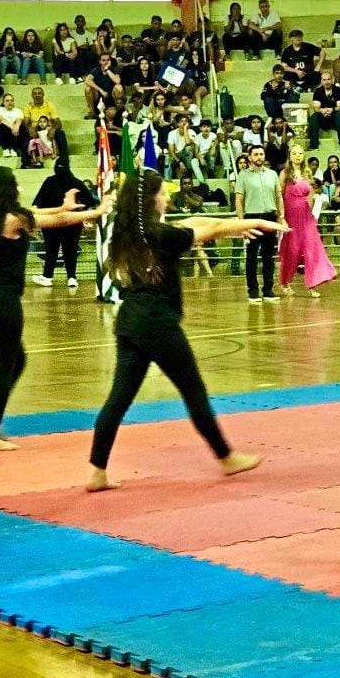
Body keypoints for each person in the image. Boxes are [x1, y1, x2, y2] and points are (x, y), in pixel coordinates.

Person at [90, 169, 283, 491]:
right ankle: (226, 457)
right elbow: (210, 229)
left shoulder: (130, 235)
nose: (168, 197)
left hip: (129, 322)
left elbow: (197, 221)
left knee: (118, 400)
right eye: (163, 193)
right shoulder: (163, 236)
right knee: (193, 390)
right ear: (152, 199)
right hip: (157, 324)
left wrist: (238, 226)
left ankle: (97, 470)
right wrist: (253, 223)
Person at [0, 166, 108, 450]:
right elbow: (59, 221)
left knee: (17, 360)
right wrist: (96, 212)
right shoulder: (13, 219)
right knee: (4, 366)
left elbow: (45, 213)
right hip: (2, 300)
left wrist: (63, 206)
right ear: (7, 189)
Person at [277, 144, 337, 296]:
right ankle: (285, 282)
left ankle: (313, 284)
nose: (298, 156)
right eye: (294, 153)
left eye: (300, 153)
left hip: (306, 216)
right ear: (290, 156)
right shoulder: (285, 173)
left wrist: (310, 209)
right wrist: (281, 215)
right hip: (291, 215)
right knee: (292, 250)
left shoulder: (307, 172)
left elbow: (310, 193)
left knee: (313, 247)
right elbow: (279, 194)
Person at [30, 157, 93, 288]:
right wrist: (81, 210)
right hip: (72, 223)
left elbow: (38, 202)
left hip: (52, 223)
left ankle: (47, 276)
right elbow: (91, 201)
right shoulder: (76, 183)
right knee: (71, 250)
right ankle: (71, 278)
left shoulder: (49, 181)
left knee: (51, 250)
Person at [234, 145, 281, 303]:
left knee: (268, 255)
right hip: (252, 218)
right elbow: (239, 200)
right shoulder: (243, 176)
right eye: (256, 154)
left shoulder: (273, 174)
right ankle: (253, 290)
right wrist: (241, 223)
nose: (259, 157)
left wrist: (281, 216)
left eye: (261, 154)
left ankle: (268, 289)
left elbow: (278, 196)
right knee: (252, 256)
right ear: (250, 157)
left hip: (269, 217)